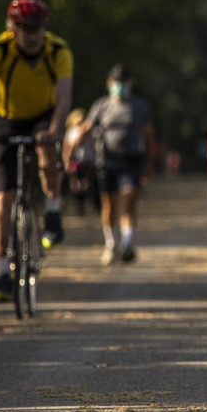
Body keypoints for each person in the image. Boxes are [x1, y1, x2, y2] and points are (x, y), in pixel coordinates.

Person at [0, 0, 73, 303]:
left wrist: (54, 131)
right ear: (12, 28)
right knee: (3, 198)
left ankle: (53, 211)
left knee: (46, 148)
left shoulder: (58, 51)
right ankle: (3, 272)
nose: (32, 35)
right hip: (5, 119)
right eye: (26, 28)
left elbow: (65, 99)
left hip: (43, 115)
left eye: (38, 28)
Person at [72, 65, 156, 265]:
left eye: (124, 83)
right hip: (107, 161)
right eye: (117, 83)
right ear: (110, 84)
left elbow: (149, 136)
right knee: (109, 203)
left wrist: (150, 163)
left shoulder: (140, 106)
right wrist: (72, 153)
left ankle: (128, 243)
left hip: (132, 160)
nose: (121, 87)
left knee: (129, 197)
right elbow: (85, 129)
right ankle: (111, 242)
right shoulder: (101, 106)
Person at [62, 108, 98, 216]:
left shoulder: (91, 132)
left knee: (89, 183)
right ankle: (79, 207)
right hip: (75, 161)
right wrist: (66, 160)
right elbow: (67, 147)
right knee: (76, 184)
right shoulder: (71, 133)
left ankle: (94, 206)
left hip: (88, 161)